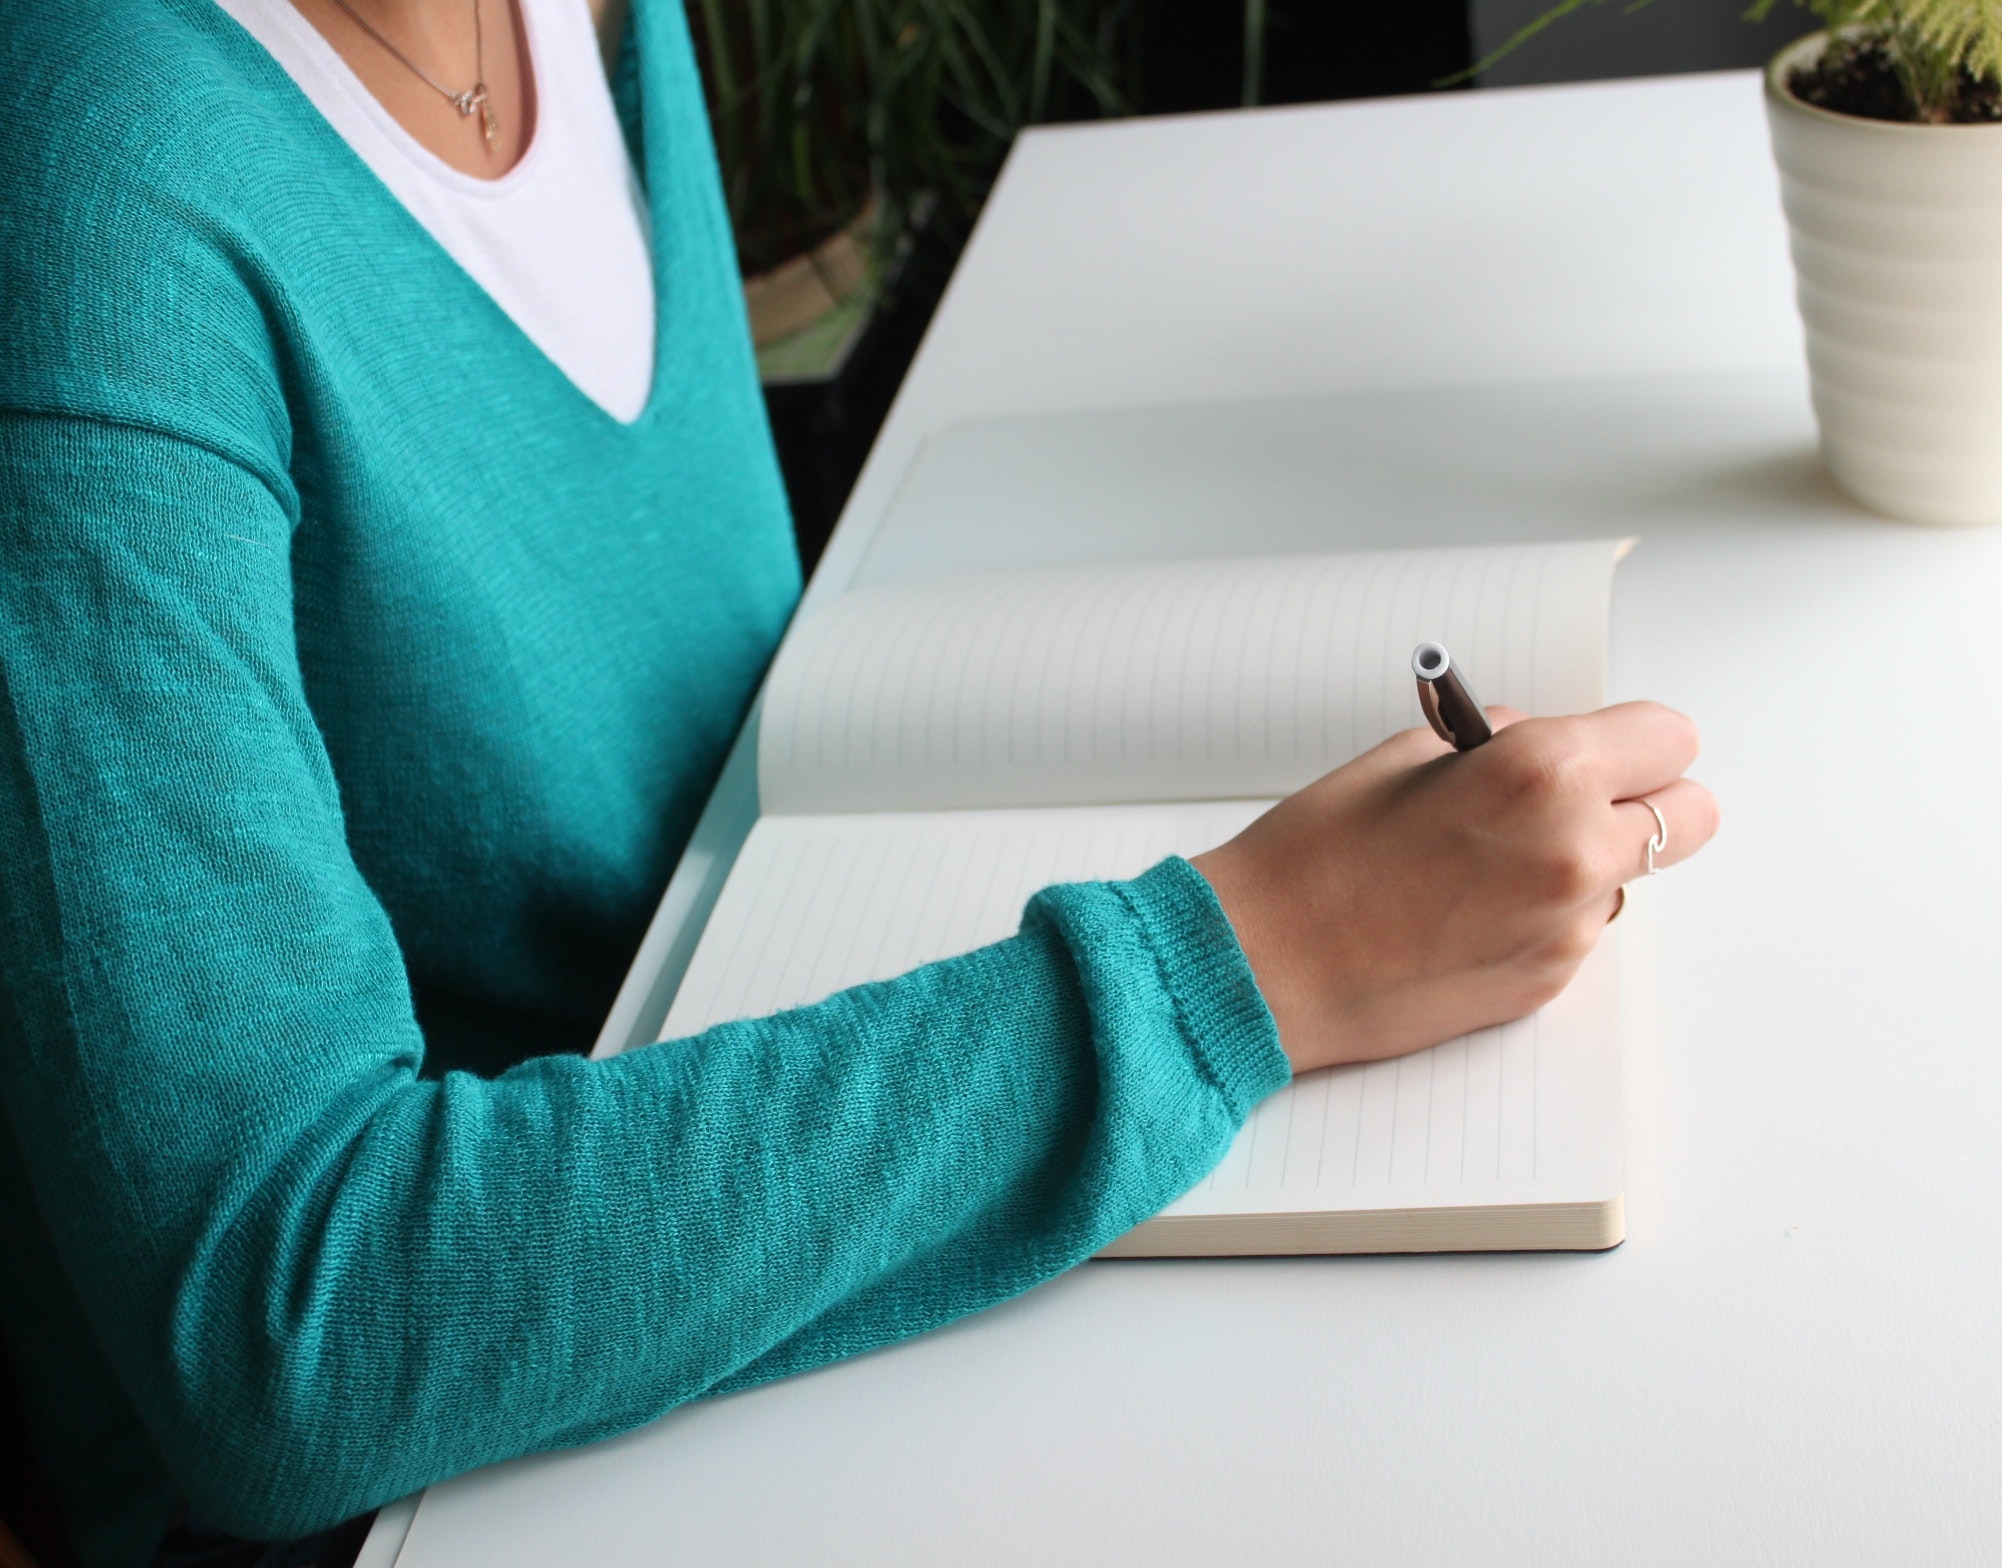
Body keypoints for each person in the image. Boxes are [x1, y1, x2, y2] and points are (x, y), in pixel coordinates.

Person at [0, 1, 1720, 1564]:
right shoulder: (90, 201)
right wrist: (1246, 970)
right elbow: (281, 1324)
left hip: (769, 1166)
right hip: (468, 1482)